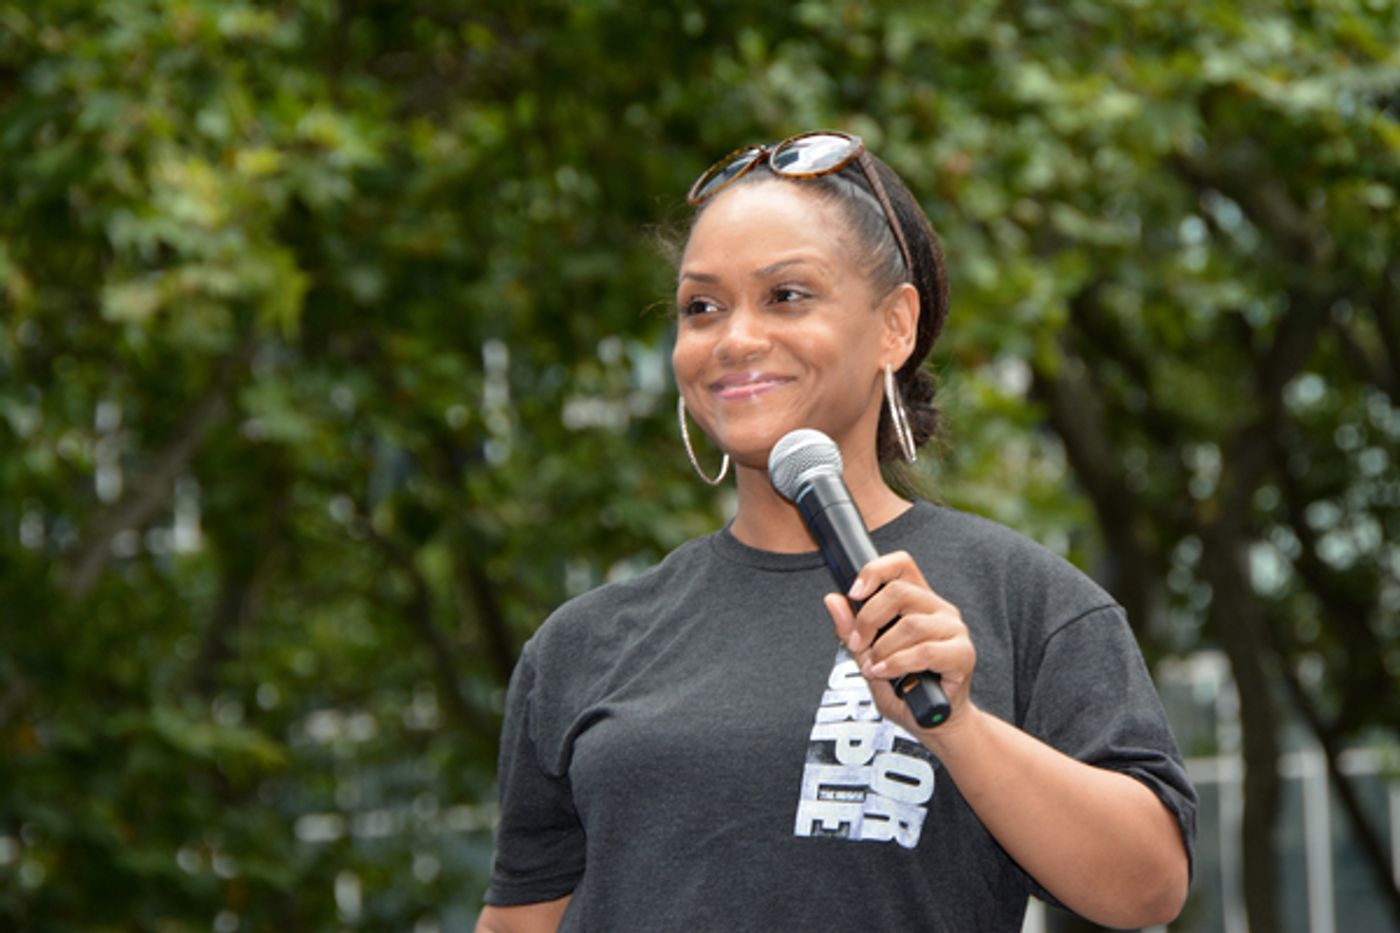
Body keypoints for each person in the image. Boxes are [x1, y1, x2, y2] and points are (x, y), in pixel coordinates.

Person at [476, 131, 1196, 932]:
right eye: (701, 307)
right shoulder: (581, 644)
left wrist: (958, 725)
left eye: (787, 295)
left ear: (895, 326)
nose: (736, 339)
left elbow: (1150, 886)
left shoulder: (1022, 601)